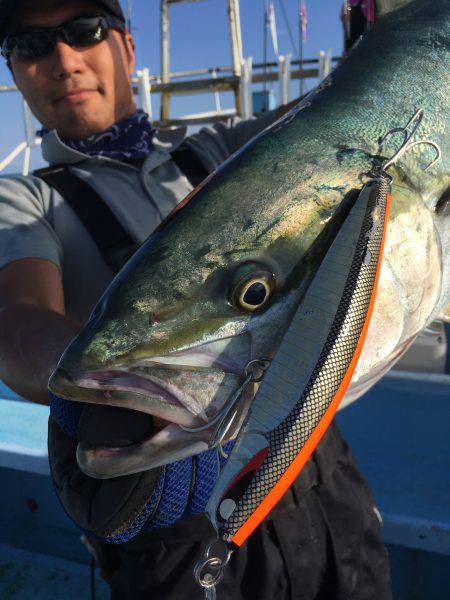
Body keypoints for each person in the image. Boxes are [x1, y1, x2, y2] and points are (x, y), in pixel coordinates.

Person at [0, 1, 392, 598]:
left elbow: (351, 116)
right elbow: (19, 322)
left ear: (127, 47)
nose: (64, 60)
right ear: (14, 69)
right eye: (32, 46)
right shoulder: (23, 199)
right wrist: (100, 388)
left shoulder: (220, 153)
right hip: (174, 517)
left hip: (318, 471)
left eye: (84, 31)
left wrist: (378, 32)